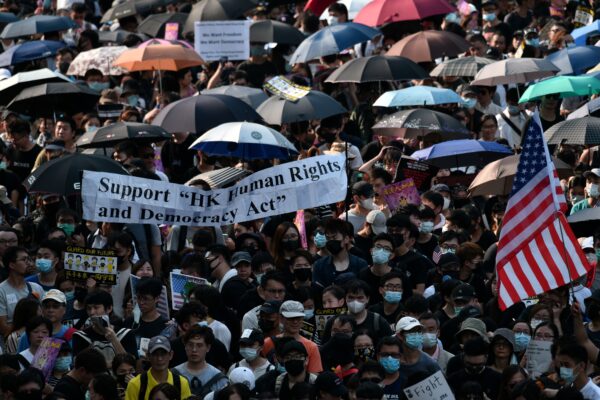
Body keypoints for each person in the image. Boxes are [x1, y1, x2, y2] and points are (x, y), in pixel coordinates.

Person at [261, 300, 323, 373]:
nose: (295, 322)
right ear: (281, 318)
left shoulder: (311, 347)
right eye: (291, 318)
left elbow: (314, 375)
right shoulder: (268, 343)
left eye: (299, 318)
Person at [126, 336, 192, 400]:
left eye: (163, 354)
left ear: (171, 355)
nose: (159, 358)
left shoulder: (182, 383)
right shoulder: (135, 385)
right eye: (155, 354)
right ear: (148, 356)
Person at [0, 246, 44, 336]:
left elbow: (46, 320)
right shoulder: (1, 291)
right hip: (13, 343)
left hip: (40, 339)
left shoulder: (37, 288)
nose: (29, 263)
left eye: (29, 259)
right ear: (12, 265)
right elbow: (3, 329)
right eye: (24, 260)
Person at [174, 325, 228, 397]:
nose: (194, 350)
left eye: (199, 345)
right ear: (185, 346)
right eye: (190, 345)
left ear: (208, 348)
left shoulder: (219, 379)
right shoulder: (173, 374)